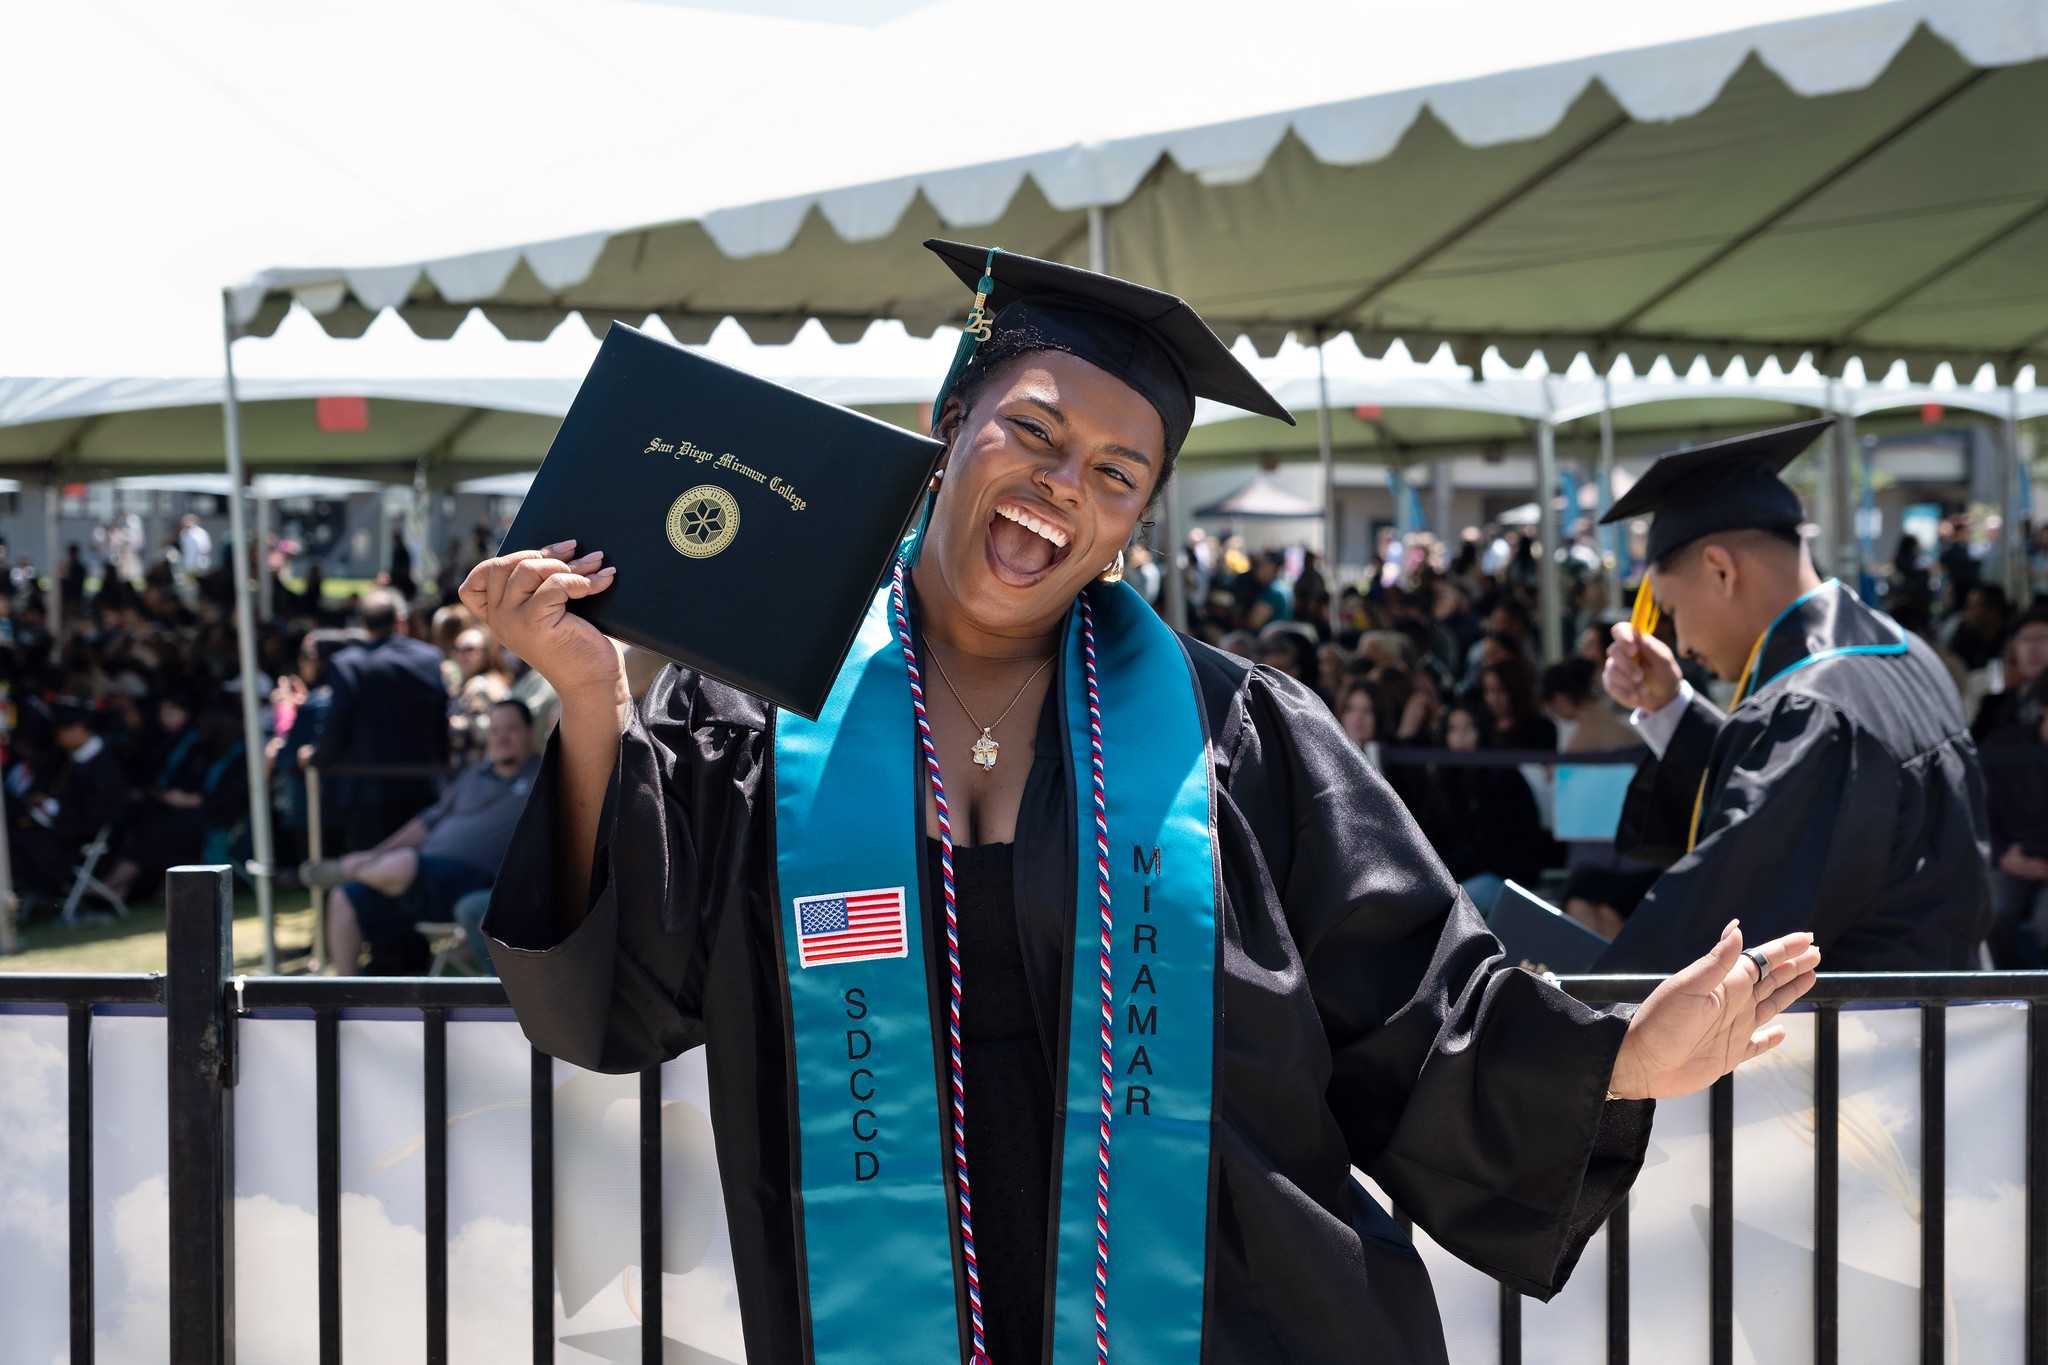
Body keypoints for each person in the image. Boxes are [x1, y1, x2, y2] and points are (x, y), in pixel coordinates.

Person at [467, 242, 1817, 1365]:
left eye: (1119, 475)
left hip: (1230, 1324)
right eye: (1034, 433)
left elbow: (1411, 1004)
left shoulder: (1238, 733)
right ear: (947, 434)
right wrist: (594, 705)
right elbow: (615, 994)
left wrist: (1624, 1059)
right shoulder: (765, 713)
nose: (1065, 487)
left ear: (1139, 522)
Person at [1597, 418, 1990, 972]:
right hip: (1942, 1019)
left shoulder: (1811, 707)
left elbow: (1718, 925)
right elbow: (1796, 796)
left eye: (1673, 608)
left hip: (1860, 1041)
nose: (1680, 641)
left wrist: (1583, 1014)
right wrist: (1670, 709)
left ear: (1720, 569)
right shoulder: (1904, 652)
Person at [304, 698, 539, 975]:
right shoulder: (473, 775)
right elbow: (426, 823)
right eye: (496, 731)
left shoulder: (543, 777)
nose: (502, 738)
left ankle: (347, 869)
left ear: (530, 732)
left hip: (473, 879)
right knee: (344, 898)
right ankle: (345, 999)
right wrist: (374, 854)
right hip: (418, 877)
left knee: (403, 864)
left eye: (511, 729)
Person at [310, 587, 450, 852]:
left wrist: (318, 759)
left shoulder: (347, 664)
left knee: (368, 871)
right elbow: (440, 724)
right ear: (400, 620)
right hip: (421, 786)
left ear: (362, 623)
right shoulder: (430, 659)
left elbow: (337, 725)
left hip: (368, 792)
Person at [9, 701, 129, 904]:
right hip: (61, 828)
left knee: (18, 841)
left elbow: (95, 816)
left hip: (79, 839)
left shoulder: (105, 765)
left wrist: (51, 807)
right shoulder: (66, 760)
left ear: (78, 728)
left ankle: (48, 893)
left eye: (60, 732)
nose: (58, 739)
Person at [1542, 658, 1637, 753]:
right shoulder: (1626, 729)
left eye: (1552, 710)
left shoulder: (1580, 744)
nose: (1556, 715)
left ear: (1559, 700)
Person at [1478, 655, 1556, 750]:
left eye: (1500, 690)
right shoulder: (1479, 727)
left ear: (1515, 690)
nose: (1492, 698)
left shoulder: (1541, 729)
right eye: (1486, 691)